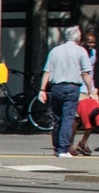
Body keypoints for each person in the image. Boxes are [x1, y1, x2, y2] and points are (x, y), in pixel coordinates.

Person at [39, 27, 92, 157]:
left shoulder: (55, 51)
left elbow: (47, 71)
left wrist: (42, 89)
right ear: (78, 38)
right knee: (67, 118)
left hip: (56, 87)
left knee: (57, 118)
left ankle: (57, 147)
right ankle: (63, 149)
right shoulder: (81, 51)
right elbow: (85, 73)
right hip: (72, 87)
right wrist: (91, 90)